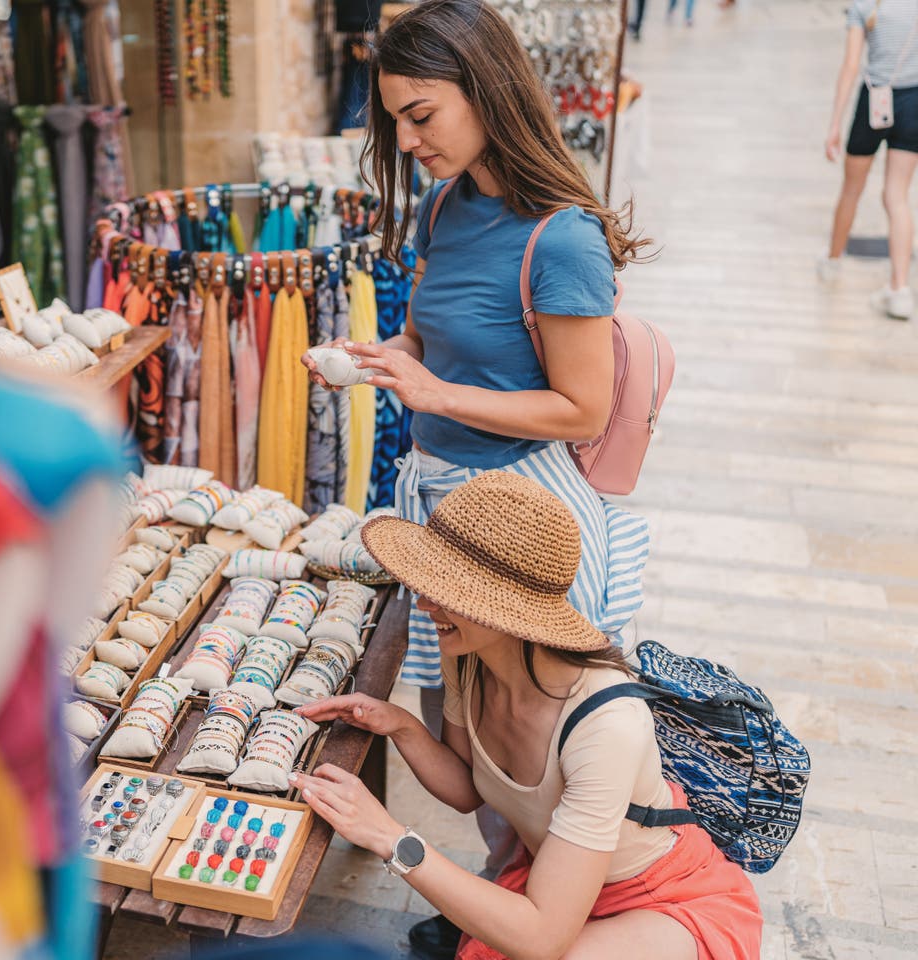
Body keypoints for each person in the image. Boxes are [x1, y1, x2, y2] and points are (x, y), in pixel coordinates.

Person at [301, 2, 652, 954]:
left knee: (532, 740)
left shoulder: (563, 237)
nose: (406, 138)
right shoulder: (445, 205)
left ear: (487, 91)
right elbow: (428, 336)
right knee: (464, 735)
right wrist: (378, 358)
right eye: (396, 120)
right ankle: (501, 906)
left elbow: (580, 408)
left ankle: (539, 918)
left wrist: (436, 388)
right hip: (439, 504)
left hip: (521, 519)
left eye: (422, 114)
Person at [291, 472, 764, 960]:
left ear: (509, 610)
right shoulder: (468, 655)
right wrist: (399, 724)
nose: (425, 602)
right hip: (560, 882)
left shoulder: (607, 724)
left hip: (659, 898)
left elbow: (542, 938)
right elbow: (467, 789)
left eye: (445, 589)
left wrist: (390, 837)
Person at [820, 0, 918, 319]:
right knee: (897, 196)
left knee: (852, 188)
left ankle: (833, 262)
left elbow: (850, 66)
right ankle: (900, 289)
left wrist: (834, 122)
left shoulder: (865, 6)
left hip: (873, 101)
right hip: (914, 103)